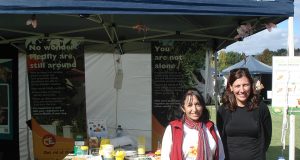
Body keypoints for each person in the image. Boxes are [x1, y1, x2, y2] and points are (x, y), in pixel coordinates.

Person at [216, 68, 272, 160]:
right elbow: (221, 138)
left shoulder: (261, 108)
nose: (242, 90)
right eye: (237, 86)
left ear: (251, 85)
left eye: (245, 85)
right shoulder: (223, 110)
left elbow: (267, 138)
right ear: (231, 87)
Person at [161, 88, 225, 160]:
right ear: (183, 108)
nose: (194, 110)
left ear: (202, 106)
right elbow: (165, 157)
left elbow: (221, 155)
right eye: (189, 105)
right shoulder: (173, 128)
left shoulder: (211, 127)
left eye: (197, 104)